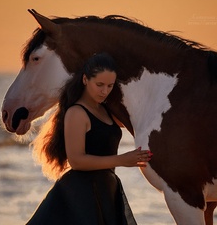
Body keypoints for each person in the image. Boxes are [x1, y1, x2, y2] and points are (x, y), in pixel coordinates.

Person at [27, 53, 153, 225]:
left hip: (106, 190)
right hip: (81, 195)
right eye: (99, 84)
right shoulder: (77, 113)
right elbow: (77, 160)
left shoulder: (106, 110)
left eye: (110, 86)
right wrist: (122, 160)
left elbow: (138, 119)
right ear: (85, 80)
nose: (104, 91)